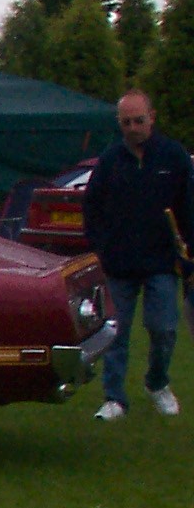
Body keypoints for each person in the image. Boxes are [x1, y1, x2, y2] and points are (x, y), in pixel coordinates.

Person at [84, 89, 194, 420]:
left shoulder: (173, 157)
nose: (132, 128)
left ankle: (156, 382)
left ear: (152, 119)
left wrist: (189, 256)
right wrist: (101, 248)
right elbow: (91, 206)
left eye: (138, 121)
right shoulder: (110, 160)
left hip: (161, 262)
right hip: (119, 264)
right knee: (116, 332)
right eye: (126, 122)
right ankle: (114, 398)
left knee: (164, 329)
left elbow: (188, 209)